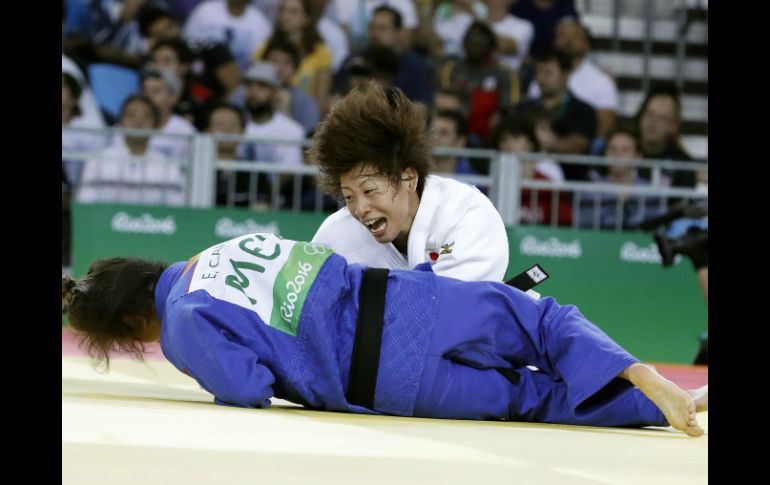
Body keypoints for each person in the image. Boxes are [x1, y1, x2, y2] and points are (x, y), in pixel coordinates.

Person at [62, 232, 708, 437]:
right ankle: (653, 382)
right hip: (410, 296)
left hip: (386, 372)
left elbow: (248, 388)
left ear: (128, 320)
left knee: (528, 399)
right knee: (541, 321)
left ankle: (656, 408)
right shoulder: (227, 245)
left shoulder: (181, 321)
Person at [310, 82, 509, 282]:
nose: (360, 209)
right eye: (348, 197)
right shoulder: (334, 237)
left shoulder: (466, 213)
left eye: (369, 190)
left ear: (409, 178)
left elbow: (452, 308)